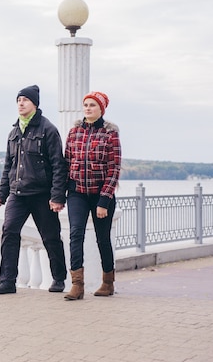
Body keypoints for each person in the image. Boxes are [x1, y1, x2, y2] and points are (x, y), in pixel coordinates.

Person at [0, 84, 68, 294]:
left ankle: (59, 278)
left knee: (51, 237)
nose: (20, 104)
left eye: (24, 100)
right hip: (17, 194)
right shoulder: (14, 132)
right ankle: (7, 281)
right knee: (9, 232)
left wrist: (57, 196)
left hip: (42, 195)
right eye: (18, 100)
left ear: (35, 104)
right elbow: (9, 167)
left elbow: (59, 165)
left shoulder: (48, 129)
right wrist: (0, 194)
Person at [63, 91, 121, 300]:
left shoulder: (110, 134)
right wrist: (61, 195)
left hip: (100, 195)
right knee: (75, 234)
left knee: (102, 239)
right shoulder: (74, 132)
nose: (88, 108)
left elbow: (114, 168)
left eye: (92, 105)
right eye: (85, 105)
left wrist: (104, 200)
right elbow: (66, 164)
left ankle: (108, 282)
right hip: (77, 193)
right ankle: (77, 285)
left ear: (101, 109)